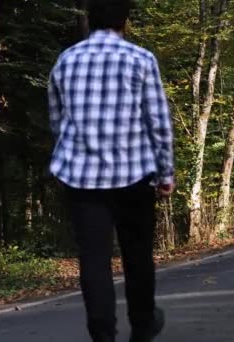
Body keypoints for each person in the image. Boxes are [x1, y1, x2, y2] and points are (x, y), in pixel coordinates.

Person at [47, 0, 174, 341]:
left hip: (82, 180)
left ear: (90, 20)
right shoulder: (141, 59)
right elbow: (158, 123)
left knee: (93, 260)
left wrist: (71, 160)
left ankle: (102, 334)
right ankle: (143, 324)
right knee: (137, 255)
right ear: (125, 21)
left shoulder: (65, 61)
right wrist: (165, 174)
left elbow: (57, 123)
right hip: (134, 176)